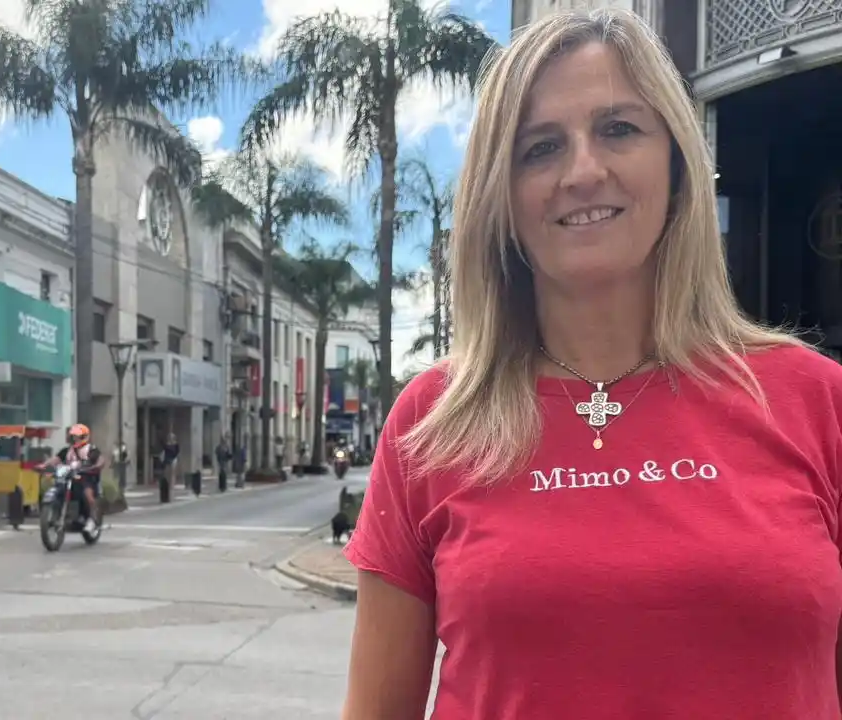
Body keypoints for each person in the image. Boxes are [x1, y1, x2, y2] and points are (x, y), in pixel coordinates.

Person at [342, 9, 842, 720]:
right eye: (540, 148)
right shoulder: (433, 421)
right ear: (502, 197)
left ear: (676, 163)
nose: (582, 171)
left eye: (618, 129)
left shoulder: (817, 402)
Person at [44, 423, 107, 534]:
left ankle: (92, 520)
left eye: (78, 437)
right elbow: (56, 459)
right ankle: (58, 515)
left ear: (84, 437)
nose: (75, 439)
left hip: (86, 478)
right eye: (73, 437)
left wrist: (97, 465)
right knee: (58, 488)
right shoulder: (66, 450)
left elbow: (101, 459)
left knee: (87, 493)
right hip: (68, 478)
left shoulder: (91, 449)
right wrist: (44, 465)